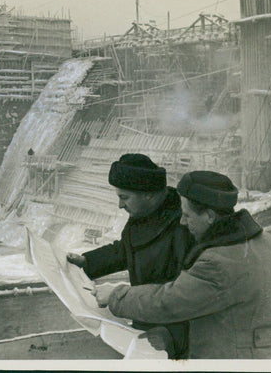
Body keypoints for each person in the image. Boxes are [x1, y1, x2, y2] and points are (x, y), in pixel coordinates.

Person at [98, 170, 271, 359]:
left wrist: (117, 295)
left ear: (210, 216)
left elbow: (167, 303)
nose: (182, 222)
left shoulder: (217, 263)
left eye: (187, 215)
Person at [66, 153, 195, 358]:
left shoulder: (184, 226)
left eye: (124, 197)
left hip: (173, 334)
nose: (119, 205)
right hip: (145, 323)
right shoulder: (143, 214)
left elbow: (190, 295)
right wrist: (88, 261)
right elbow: (127, 249)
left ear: (149, 195)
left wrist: (171, 335)